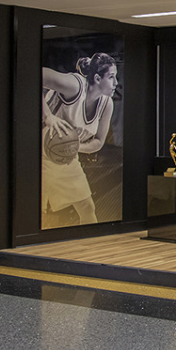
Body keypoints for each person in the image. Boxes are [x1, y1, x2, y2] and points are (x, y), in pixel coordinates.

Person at [41, 53, 118, 226]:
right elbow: (35, 75)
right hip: (39, 150)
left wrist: (76, 147)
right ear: (97, 78)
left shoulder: (106, 103)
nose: (116, 83)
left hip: (65, 157)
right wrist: (48, 116)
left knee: (87, 207)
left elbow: (98, 142)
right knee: (39, 210)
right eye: (112, 77)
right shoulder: (74, 86)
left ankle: (92, 245)